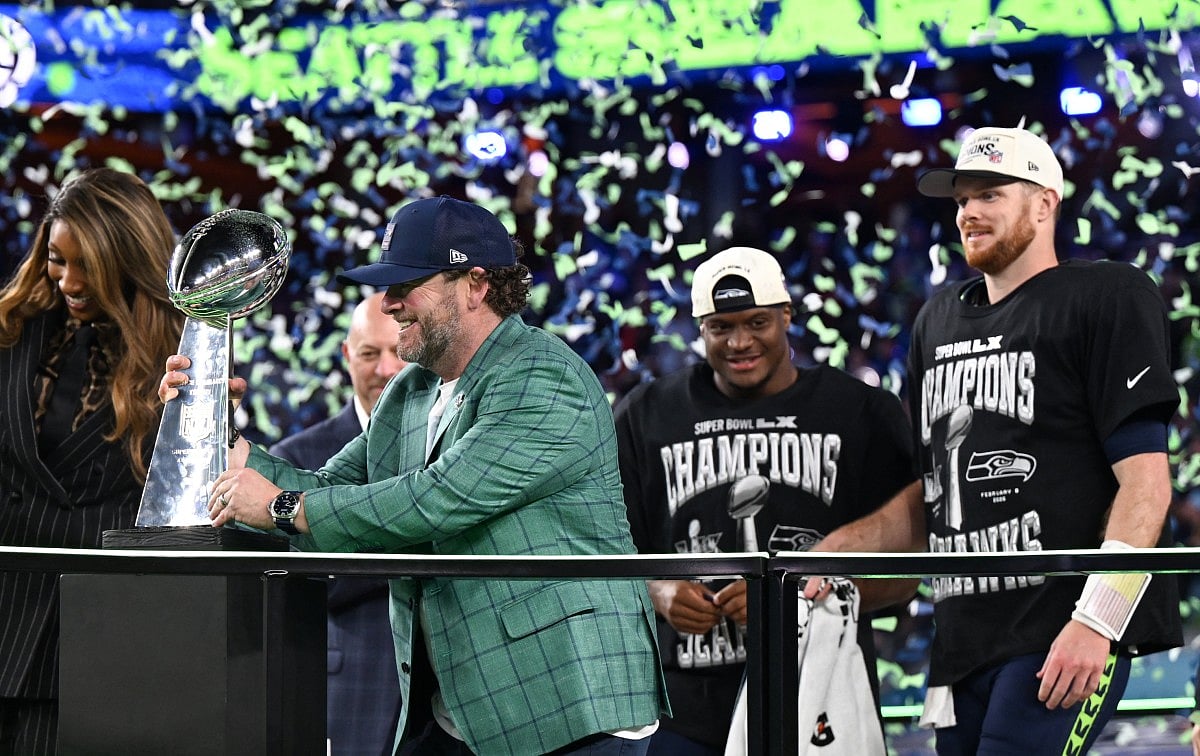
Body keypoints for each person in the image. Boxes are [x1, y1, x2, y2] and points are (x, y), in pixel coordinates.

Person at [163, 195, 670, 755]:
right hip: (467, 706)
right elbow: (334, 488)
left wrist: (285, 507)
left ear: (475, 285)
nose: (389, 302)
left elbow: (439, 500)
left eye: (407, 286)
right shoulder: (412, 389)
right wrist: (215, 431)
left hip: (571, 700)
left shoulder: (543, 376)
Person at [815, 125, 1182, 755]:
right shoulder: (936, 318)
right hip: (961, 642)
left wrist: (1098, 621)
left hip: (1062, 629)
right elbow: (932, 492)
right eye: (961, 199)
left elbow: (1146, 484)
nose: (969, 213)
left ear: (1044, 204)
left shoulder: (1107, 295)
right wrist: (831, 556)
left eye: (990, 194)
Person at [613, 245, 922, 754]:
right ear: (700, 329)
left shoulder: (859, 411)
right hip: (682, 709)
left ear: (787, 315)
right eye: (721, 327)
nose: (740, 342)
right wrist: (658, 594)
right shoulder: (648, 414)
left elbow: (904, 576)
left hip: (820, 702)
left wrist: (791, 606)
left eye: (757, 323)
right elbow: (607, 556)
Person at [0, 167, 184, 754]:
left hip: (88, 639)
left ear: (129, 262)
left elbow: (188, 502)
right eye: (57, 259)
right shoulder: (9, 329)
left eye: (89, 268)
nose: (68, 281)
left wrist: (206, 414)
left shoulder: (179, 358)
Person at [268, 291, 406, 756]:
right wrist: (422, 532)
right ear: (347, 356)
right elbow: (308, 582)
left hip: (449, 691)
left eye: (398, 352)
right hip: (352, 689)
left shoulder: (449, 448)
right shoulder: (296, 461)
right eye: (370, 353)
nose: (385, 369)